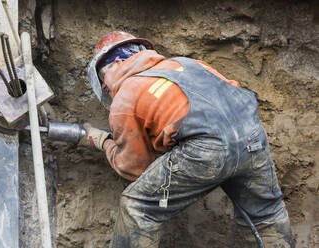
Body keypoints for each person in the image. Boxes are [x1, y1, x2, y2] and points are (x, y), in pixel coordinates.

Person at [80, 31, 294, 248]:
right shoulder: (187, 64)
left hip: (206, 151)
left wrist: (103, 141)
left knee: (136, 209)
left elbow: (134, 168)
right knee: (266, 215)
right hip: (252, 136)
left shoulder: (126, 96)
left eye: (102, 78)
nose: (105, 87)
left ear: (118, 62)